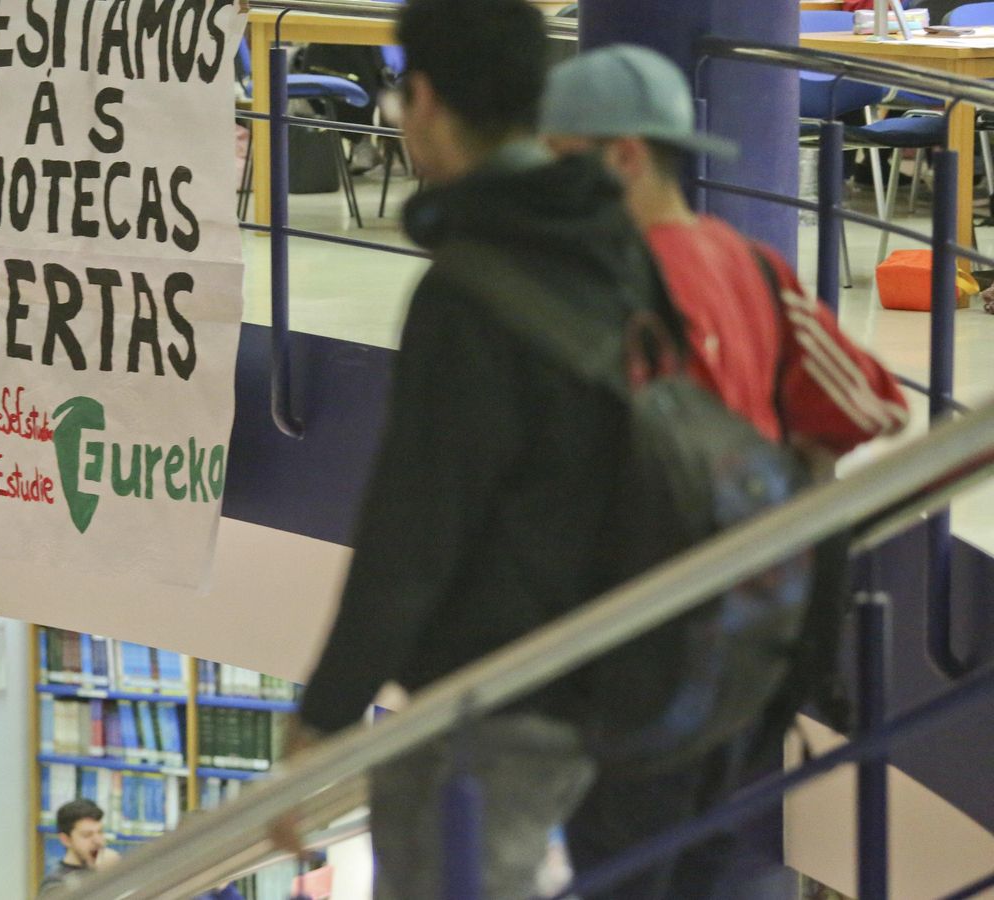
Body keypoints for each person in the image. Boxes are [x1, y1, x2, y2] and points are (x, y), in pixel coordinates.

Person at [275, 0, 682, 896]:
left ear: (422, 98)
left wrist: (325, 716)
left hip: (498, 690)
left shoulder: (466, 292)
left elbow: (412, 530)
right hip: (613, 662)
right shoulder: (615, 240)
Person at [539, 44, 909, 898]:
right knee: (704, 857)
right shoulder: (748, 264)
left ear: (623, 156)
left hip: (633, 657)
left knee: (623, 868)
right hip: (747, 646)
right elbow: (872, 405)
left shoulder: (597, 294)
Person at [37, 798, 121, 896]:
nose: (98, 841)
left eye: (100, 832)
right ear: (66, 840)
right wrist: (104, 876)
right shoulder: (54, 884)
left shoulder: (105, 868)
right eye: (87, 835)